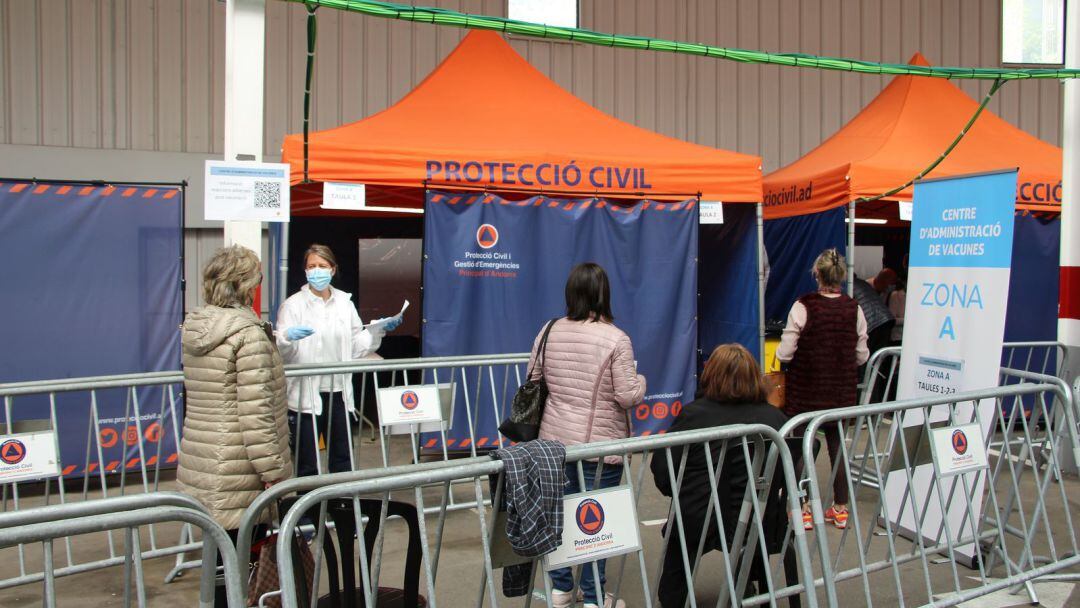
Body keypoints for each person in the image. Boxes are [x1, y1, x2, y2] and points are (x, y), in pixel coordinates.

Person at [178, 246, 292, 606]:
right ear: (247, 287)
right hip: (239, 470)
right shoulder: (249, 335)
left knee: (218, 563)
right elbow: (256, 414)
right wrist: (275, 474)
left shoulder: (196, 329)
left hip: (203, 460)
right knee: (241, 565)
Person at [532, 262, 646, 608]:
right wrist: (642, 382)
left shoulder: (549, 329)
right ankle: (596, 598)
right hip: (599, 449)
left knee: (562, 519)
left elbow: (534, 378)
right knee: (598, 524)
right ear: (603, 294)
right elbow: (627, 395)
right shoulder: (616, 339)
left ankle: (562, 590)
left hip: (554, 444)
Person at [651, 344, 788, 608]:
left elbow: (665, 472)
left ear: (710, 374)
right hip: (761, 519)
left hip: (700, 517)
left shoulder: (694, 415)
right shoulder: (776, 420)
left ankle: (672, 597)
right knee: (743, 518)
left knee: (684, 529)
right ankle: (747, 583)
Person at [276, 244, 401, 477]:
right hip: (304, 394)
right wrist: (286, 339)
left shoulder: (345, 303)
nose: (316, 271)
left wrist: (377, 330)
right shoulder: (293, 305)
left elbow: (356, 346)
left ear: (333, 270)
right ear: (304, 271)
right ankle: (307, 513)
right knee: (307, 462)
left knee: (342, 459)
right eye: (311, 266)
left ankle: (341, 507)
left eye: (322, 266)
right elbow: (284, 353)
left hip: (338, 393)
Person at [777, 248, 868, 530]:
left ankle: (802, 508)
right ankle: (840, 508)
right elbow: (862, 355)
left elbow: (785, 353)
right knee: (838, 447)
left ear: (816, 274)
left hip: (806, 393)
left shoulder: (803, 306)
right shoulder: (854, 308)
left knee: (802, 447)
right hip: (840, 393)